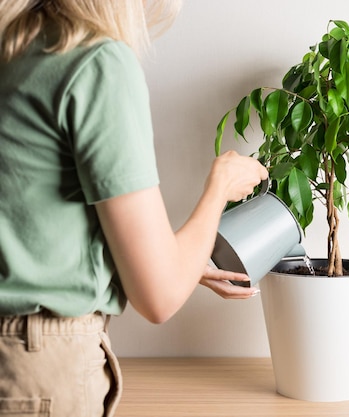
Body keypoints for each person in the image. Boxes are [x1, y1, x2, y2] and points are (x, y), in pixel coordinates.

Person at [0, 1, 268, 416]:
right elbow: (158, 297)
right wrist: (219, 189)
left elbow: (31, 218)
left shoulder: (13, 45)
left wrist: (182, 256)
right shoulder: (94, 60)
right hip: (35, 373)